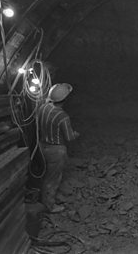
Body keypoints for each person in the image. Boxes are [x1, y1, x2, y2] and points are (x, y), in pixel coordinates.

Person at [38, 83, 79, 213]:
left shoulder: (43, 108)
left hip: (40, 146)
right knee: (52, 178)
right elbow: (69, 137)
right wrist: (76, 134)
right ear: (65, 100)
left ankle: (40, 197)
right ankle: (49, 205)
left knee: (43, 174)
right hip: (56, 150)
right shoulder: (62, 116)